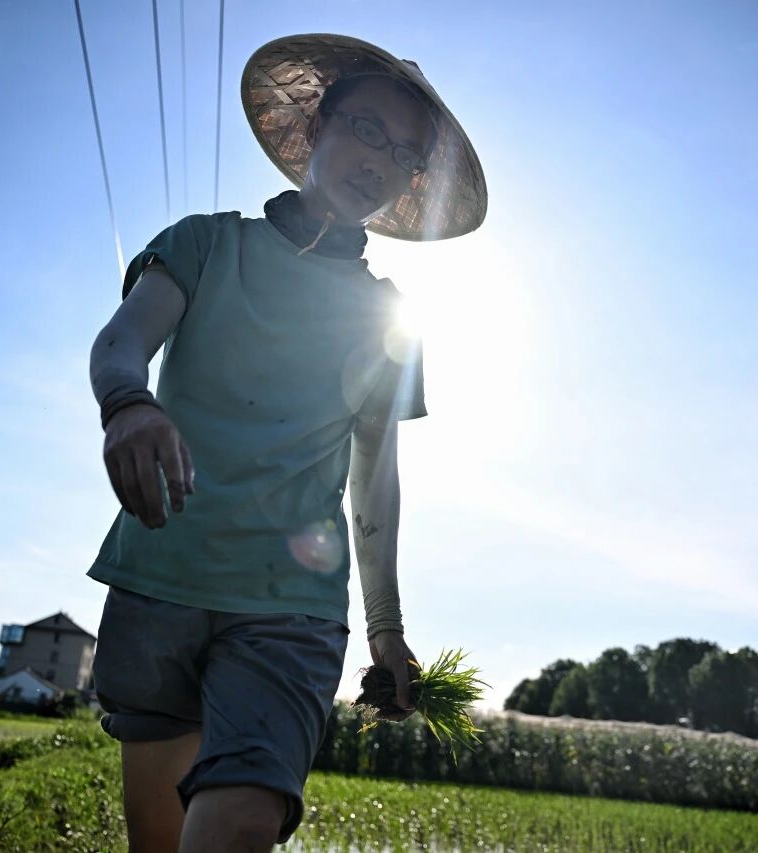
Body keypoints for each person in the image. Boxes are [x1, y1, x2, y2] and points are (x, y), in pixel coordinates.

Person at [85, 33, 486, 852]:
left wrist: (385, 625)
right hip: (161, 575)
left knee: (240, 820)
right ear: (316, 126)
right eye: (367, 129)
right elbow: (123, 341)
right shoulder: (205, 244)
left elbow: (375, 481)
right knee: (158, 839)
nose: (380, 160)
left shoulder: (389, 318)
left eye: (405, 154)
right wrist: (127, 405)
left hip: (291, 608)